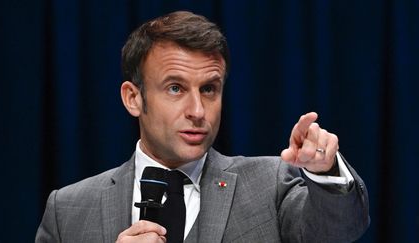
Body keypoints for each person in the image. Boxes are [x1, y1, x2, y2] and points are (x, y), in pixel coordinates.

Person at [35, 11, 369, 243]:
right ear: (133, 98)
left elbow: (339, 229)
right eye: (175, 88)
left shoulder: (270, 186)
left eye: (208, 89)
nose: (197, 111)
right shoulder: (68, 210)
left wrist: (325, 170)